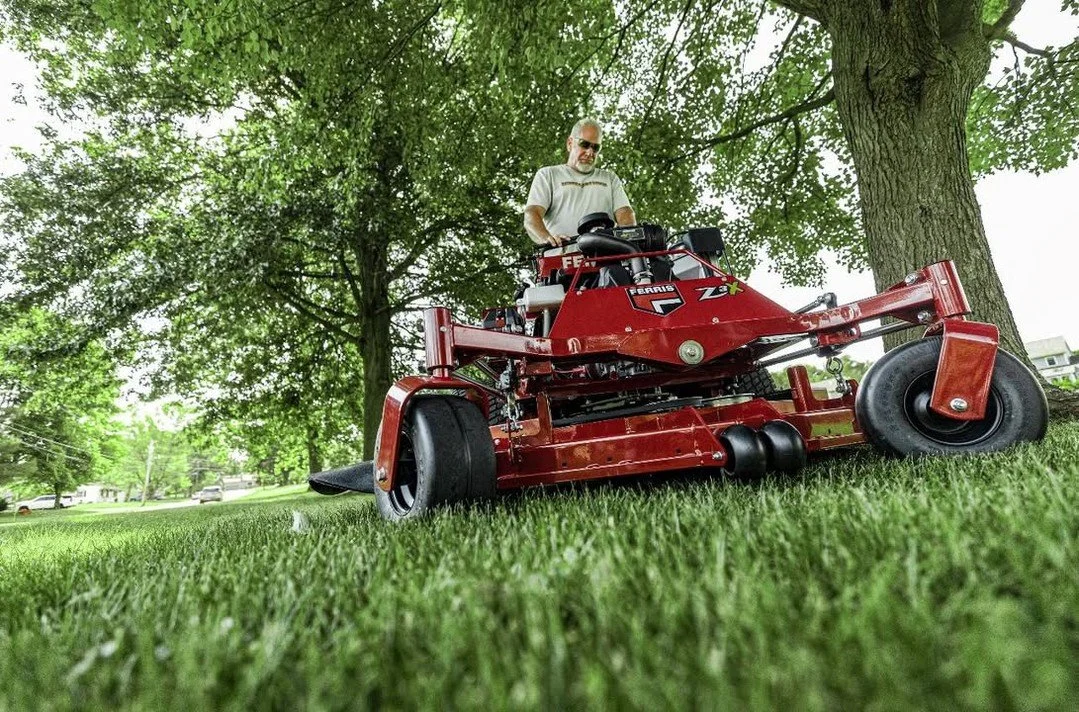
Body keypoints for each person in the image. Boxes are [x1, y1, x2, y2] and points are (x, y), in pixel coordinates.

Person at [523, 118, 637, 247]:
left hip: (605, 259)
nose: (590, 152)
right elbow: (532, 213)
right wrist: (546, 238)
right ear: (570, 143)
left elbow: (625, 213)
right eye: (584, 144)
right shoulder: (548, 175)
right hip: (560, 259)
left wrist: (628, 237)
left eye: (595, 147)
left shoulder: (610, 179)